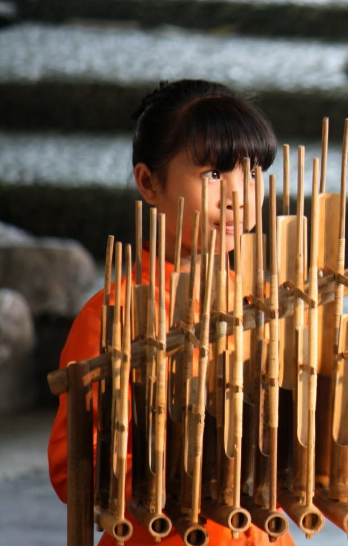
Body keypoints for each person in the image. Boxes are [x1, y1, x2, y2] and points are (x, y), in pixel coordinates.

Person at [47, 79, 291, 545]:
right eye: (215, 174)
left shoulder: (259, 300)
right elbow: (72, 471)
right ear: (148, 182)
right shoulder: (111, 317)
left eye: (254, 172)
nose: (240, 195)